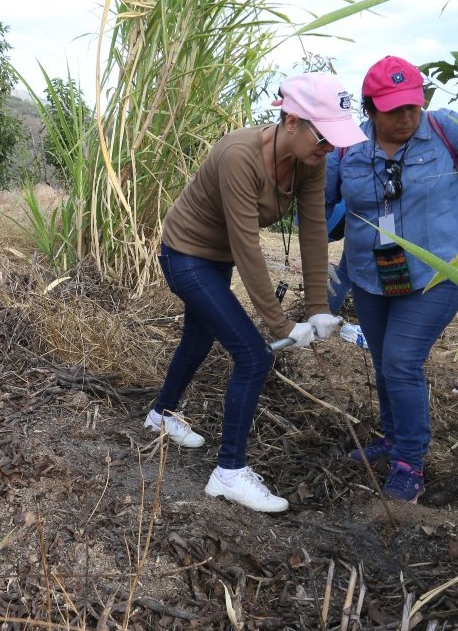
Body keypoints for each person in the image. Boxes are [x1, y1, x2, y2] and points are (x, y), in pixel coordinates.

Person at [145, 72, 367, 513]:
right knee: (253, 355)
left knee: (198, 337)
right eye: (323, 137)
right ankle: (228, 473)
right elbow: (247, 247)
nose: (329, 148)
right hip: (185, 254)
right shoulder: (239, 156)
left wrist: (318, 307)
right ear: (291, 121)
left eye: (334, 140)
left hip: (217, 257)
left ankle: (160, 416)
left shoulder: (311, 160)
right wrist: (281, 325)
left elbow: (314, 230)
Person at [326, 56, 458, 503]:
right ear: (370, 109)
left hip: (437, 274)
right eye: (393, 110)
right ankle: (392, 438)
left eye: (412, 106)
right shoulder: (347, 149)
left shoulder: (444, 129)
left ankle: (409, 463)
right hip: (370, 275)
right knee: (384, 361)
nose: (406, 117)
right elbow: (316, 203)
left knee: (401, 361)